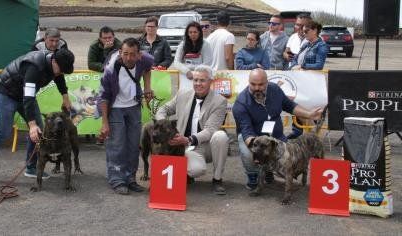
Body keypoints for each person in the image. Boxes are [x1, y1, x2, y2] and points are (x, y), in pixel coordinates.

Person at [0, 48, 75, 184]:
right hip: (6, 93)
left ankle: (31, 168)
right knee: (3, 132)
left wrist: (65, 97)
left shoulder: (55, 65)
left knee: (40, 130)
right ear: (54, 61)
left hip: (24, 94)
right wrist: (31, 125)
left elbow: (59, 78)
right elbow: (28, 98)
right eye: (61, 69)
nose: (61, 72)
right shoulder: (34, 66)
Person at [231, 68, 323, 190]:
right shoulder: (241, 103)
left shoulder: (275, 89)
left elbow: (290, 106)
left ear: (267, 82)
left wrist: (309, 114)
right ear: (248, 82)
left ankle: (270, 172)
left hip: (277, 137)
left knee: (290, 155)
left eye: (261, 84)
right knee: (250, 153)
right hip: (254, 139)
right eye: (253, 84)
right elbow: (247, 132)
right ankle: (252, 175)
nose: (257, 88)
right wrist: (260, 149)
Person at [156, 65, 229, 195]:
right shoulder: (182, 94)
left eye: (202, 80)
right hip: (181, 146)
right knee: (196, 170)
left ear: (210, 82)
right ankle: (185, 174)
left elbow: (210, 130)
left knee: (220, 136)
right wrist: (163, 124)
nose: (198, 84)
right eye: (195, 80)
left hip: (205, 147)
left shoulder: (220, 101)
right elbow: (163, 109)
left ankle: (217, 179)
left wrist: (188, 139)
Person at [98, 38, 154, 195]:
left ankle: (130, 178)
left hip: (134, 106)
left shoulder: (145, 59)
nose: (129, 58)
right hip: (115, 107)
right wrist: (104, 122)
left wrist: (147, 87)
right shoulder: (110, 69)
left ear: (139, 55)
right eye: (125, 54)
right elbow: (104, 97)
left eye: (132, 54)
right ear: (120, 52)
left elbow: (149, 68)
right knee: (117, 144)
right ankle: (117, 179)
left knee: (133, 144)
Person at [287, 21, 328, 139]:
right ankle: (305, 136)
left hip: (312, 84)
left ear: (315, 30)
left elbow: (319, 65)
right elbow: (295, 58)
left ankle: (313, 138)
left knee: (311, 111)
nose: (303, 34)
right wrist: (293, 66)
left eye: (306, 31)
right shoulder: (306, 44)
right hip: (301, 82)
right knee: (299, 109)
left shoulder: (322, 46)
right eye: (302, 31)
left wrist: (302, 67)